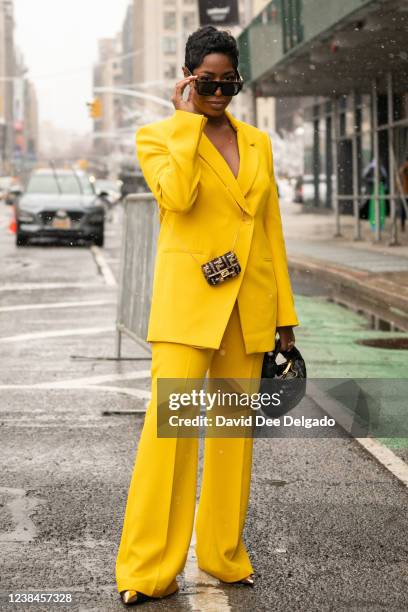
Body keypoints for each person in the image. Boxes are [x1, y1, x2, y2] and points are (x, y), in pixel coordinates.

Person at [115, 25, 299, 607]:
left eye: (228, 82)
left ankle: (224, 556)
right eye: (208, 82)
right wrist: (187, 124)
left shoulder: (258, 143)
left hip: (249, 309)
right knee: (166, 443)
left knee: (230, 442)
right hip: (188, 309)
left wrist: (284, 317)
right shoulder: (157, 136)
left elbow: (269, 231)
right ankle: (146, 571)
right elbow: (179, 198)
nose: (219, 93)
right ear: (190, 78)